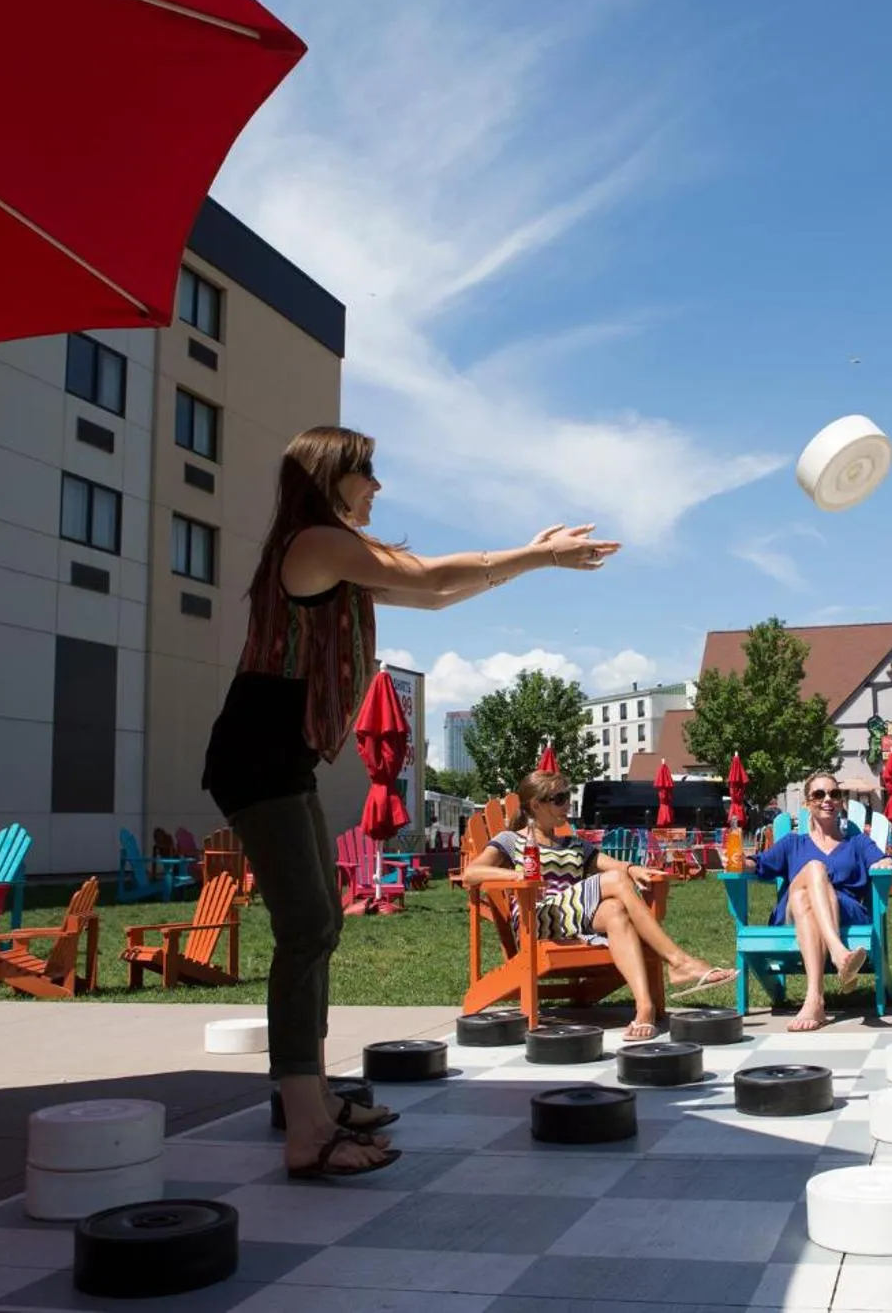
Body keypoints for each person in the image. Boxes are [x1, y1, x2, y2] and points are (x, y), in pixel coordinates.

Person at [201, 425, 621, 1181]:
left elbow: (435, 595)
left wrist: (530, 562)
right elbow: (428, 579)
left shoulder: (337, 557)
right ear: (332, 476)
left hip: (278, 756)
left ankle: (311, 1097)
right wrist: (541, 554)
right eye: (368, 473)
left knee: (318, 924)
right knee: (305, 928)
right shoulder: (317, 542)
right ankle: (304, 1124)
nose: (378, 487)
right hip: (255, 756)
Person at [461, 770, 735, 1040]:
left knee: (616, 911)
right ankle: (679, 961)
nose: (567, 805)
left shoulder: (573, 844)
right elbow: (472, 873)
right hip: (539, 920)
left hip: (574, 919)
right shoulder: (511, 841)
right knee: (615, 882)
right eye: (558, 799)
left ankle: (645, 1008)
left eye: (568, 797)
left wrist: (632, 868)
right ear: (535, 804)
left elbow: (612, 865)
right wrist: (518, 875)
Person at [746, 770, 892, 1031]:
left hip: (845, 910)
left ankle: (815, 1000)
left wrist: (885, 862)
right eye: (819, 794)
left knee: (806, 899)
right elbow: (758, 865)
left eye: (834, 794)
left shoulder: (857, 842)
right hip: (790, 916)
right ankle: (838, 953)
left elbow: (887, 861)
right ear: (807, 803)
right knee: (815, 868)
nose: (828, 799)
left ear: (841, 802)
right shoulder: (792, 843)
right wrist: (738, 862)